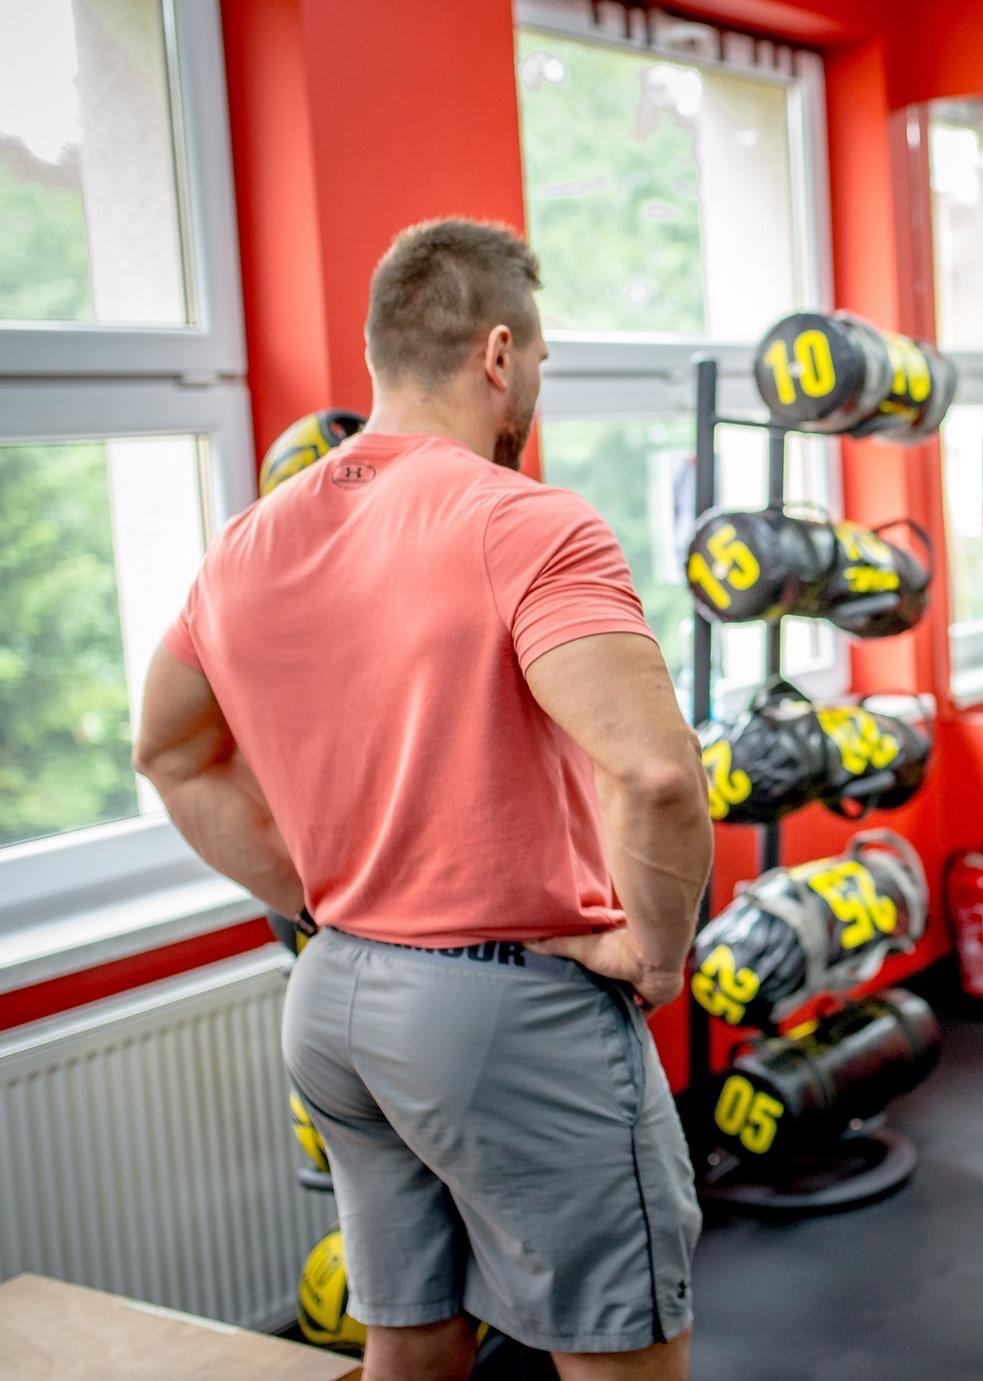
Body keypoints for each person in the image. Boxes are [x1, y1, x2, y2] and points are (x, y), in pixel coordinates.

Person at [132, 218, 713, 1381]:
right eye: (537, 361)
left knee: (407, 1338)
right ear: (498, 354)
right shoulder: (524, 520)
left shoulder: (246, 544)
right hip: (504, 1011)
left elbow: (168, 751)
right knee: (617, 1352)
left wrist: (315, 891)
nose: (533, 384)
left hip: (336, 998)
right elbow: (654, 773)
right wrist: (655, 955)